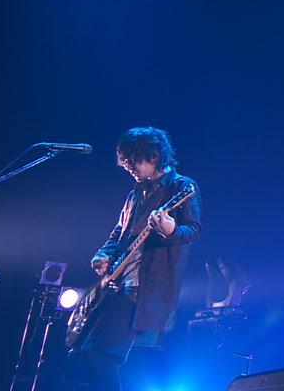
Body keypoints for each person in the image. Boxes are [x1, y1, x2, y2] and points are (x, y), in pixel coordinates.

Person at [78, 127, 202, 391]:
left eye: (132, 159)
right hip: (117, 285)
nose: (127, 166)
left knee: (99, 355)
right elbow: (118, 233)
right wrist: (103, 254)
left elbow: (193, 230)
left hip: (143, 290)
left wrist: (170, 229)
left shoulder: (182, 187)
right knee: (88, 352)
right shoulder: (135, 193)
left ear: (154, 155)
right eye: (124, 161)